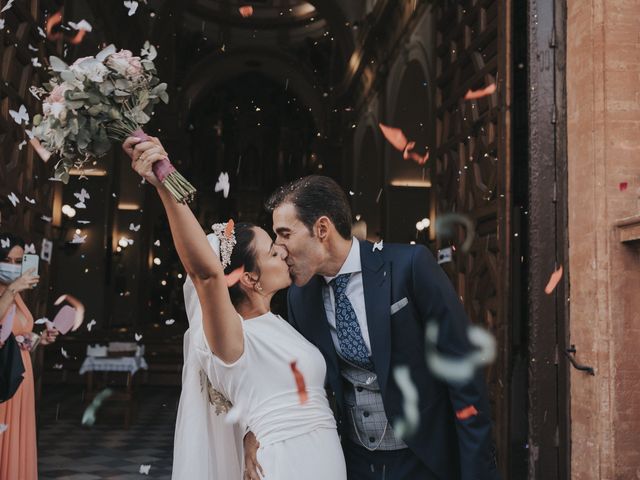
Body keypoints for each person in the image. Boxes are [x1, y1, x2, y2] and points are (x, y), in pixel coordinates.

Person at [244, 175, 499, 480]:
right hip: (350, 463)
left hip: (425, 459)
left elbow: (464, 376)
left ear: (322, 229)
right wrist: (252, 430)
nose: (280, 249)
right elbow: (291, 378)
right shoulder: (301, 297)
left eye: (285, 234)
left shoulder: (410, 267)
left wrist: (477, 473)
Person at [122, 136, 347, 480]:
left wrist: (250, 433)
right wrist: (165, 183)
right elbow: (206, 273)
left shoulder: (280, 323)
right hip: (286, 465)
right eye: (273, 251)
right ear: (249, 278)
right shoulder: (232, 340)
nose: (284, 252)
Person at [0, 233, 58, 480]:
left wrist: (39, 339)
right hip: (3, 379)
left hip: (20, 376)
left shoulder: (17, 294)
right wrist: (11, 289)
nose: (13, 266)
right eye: (8, 260)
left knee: (16, 437)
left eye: (18, 261)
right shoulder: (10, 292)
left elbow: (16, 338)